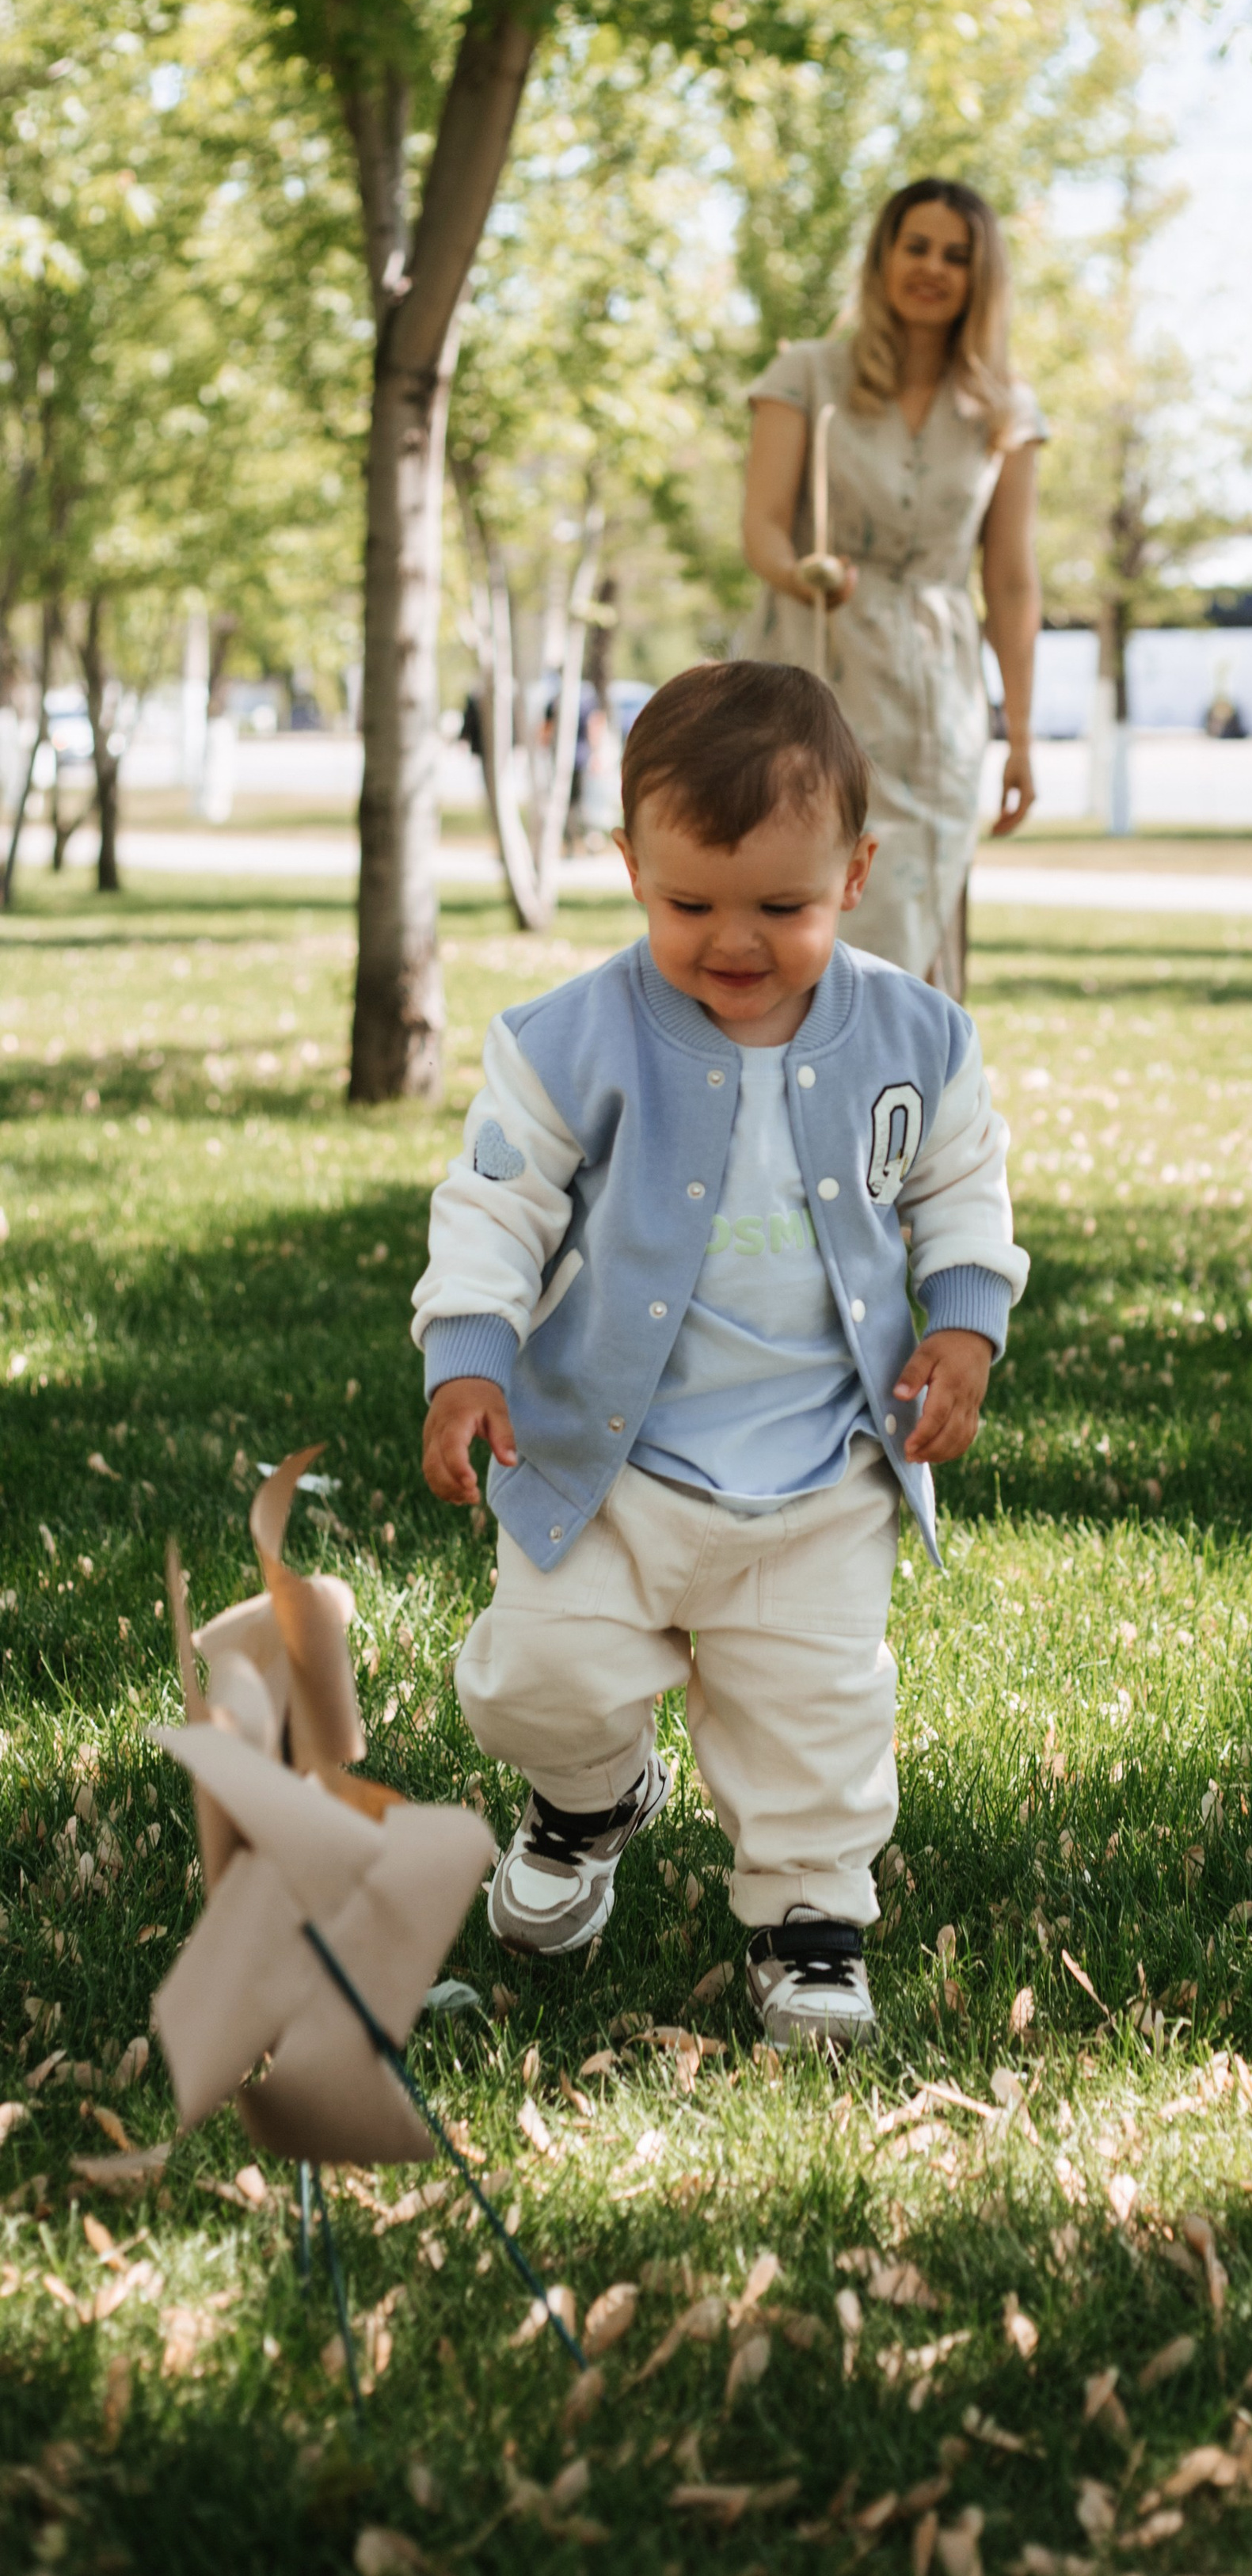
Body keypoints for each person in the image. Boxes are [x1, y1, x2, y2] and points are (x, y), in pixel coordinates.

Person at [411, 661, 1027, 2047]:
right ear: (629, 867)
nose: (732, 942)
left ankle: (810, 1923)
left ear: (856, 874)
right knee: (542, 1677)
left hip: (821, 1465)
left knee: (814, 1706)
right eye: (690, 904)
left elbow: (961, 1190)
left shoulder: (919, 1041)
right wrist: (470, 1354)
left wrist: (964, 1323)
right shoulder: (570, 1041)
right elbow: (495, 1204)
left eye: (783, 907)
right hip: (603, 1462)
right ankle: (584, 1798)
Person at [742, 177, 1046, 996]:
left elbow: (1012, 584)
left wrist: (1019, 736)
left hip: (938, 700)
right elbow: (763, 527)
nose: (933, 268)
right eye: (917, 246)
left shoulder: (1004, 411)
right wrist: (798, 571)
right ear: (882, 256)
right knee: (805, 878)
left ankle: (899, 1112)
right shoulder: (805, 374)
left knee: (918, 908)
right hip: (818, 664)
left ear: (981, 278)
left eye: (957, 255)